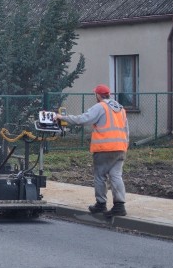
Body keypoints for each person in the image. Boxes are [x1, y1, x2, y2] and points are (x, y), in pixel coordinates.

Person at [54, 84, 129, 218]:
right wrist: (125, 145)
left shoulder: (100, 107)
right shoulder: (120, 108)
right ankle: (119, 206)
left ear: (98, 95)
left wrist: (62, 117)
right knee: (116, 176)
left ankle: (100, 204)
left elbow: (82, 119)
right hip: (120, 147)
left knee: (100, 176)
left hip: (104, 149)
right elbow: (126, 129)